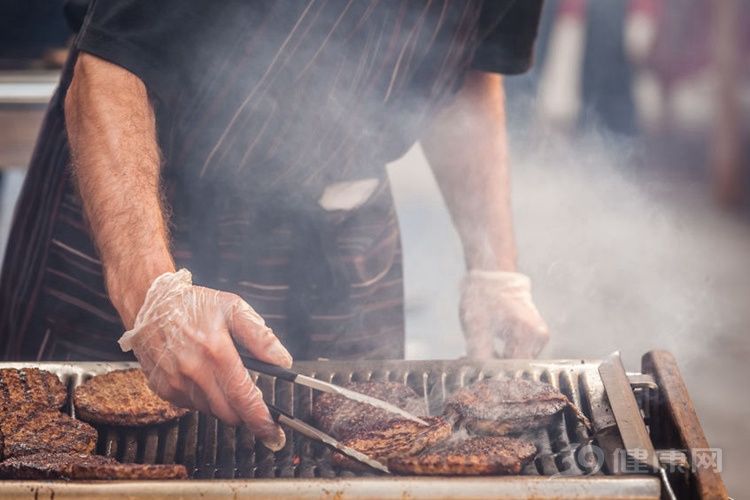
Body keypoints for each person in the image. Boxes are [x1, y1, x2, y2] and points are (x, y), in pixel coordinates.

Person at [0, 1, 549, 449]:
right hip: (150, 214)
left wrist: (495, 272)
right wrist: (154, 298)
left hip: (343, 239)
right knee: (68, 449)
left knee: (357, 454)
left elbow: (472, 69)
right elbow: (107, 71)